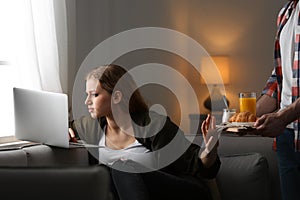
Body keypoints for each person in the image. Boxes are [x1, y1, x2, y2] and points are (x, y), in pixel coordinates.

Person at [69, 64, 221, 200]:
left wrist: (209, 150)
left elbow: (197, 165)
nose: (87, 101)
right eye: (87, 94)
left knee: (123, 167)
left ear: (116, 96)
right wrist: (66, 129)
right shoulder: (90, 126)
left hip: (182, 191)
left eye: (94, 95)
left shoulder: (154, 125)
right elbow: (64, 126)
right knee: (105, 172)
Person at [254, 1, 300, 199]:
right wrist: (246, 119)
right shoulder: (286, 13)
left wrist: (283, 117)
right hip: (287, 136)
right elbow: (279, 76)